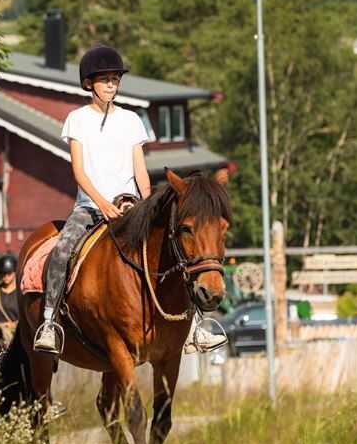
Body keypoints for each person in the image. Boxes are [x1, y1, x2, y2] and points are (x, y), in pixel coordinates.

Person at [32, 45, 225, 355]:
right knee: (61, 251)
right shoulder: (76, 120)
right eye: (105, 79)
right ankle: (50, 322)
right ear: (88, 84)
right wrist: (103, 204)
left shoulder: (132, 120)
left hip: (131, 207)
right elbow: (79, 173)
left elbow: (140, 171)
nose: (111, 85)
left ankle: (198, 326)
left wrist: (146, 203)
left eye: (115, 79)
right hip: (90, 208)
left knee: (176, 251)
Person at [0, 254, 19, 352]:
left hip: (16, 340)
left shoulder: (20, 293)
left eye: (9, 273)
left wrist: (14, 325)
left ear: (15, 272)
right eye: (3, 273)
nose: (5, 276)